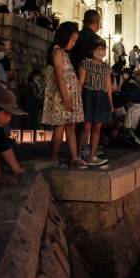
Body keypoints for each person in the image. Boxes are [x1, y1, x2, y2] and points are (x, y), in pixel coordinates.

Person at [41, 22, 86, 168]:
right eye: (72, 40)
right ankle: (53, 158)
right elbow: (60, 77)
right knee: (60, 127)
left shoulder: (64, 53)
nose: (73, 43)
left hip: (68, 97)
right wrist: (66, 98)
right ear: (65, 37)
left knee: (70, 127)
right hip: (62, 97)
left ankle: (74, 157)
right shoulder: (58, 52)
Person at [77, 39, 112, 166]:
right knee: (85, 128)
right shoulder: (85, 63)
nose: (101, 52)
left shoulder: (106, 67)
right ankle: (77, 155)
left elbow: (108, 87)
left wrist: (110, 103)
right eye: (98, 49)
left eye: (103, 49)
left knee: (97, 128)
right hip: (88, 95)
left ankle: (92, 156)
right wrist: (78, 99)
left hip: (101, 98)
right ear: (92, 50)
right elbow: (81, 82)